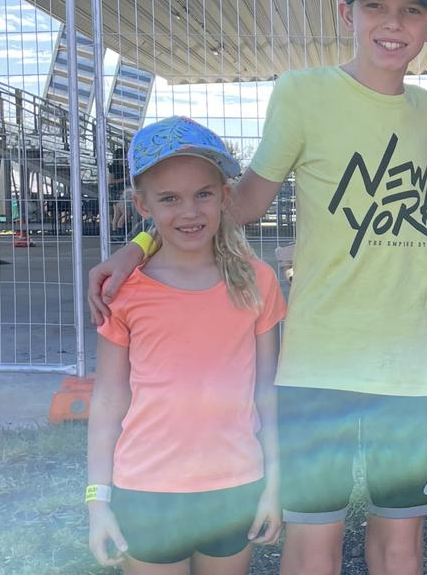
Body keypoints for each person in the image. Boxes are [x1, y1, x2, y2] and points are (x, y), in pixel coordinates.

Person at [86, 0, 427, 575]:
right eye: (375, 6)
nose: (391, 24)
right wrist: (139, 243)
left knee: (402, 547)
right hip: (319, 363)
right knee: (314, 543)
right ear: (347, 13)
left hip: (414, 366)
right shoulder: (303, 94)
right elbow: (237, 204)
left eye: (411, 10)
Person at [86, 116, 288, 574]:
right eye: (169, 199)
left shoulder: (257, 282)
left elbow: (268, 392)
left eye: (203, 194)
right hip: (147, 489)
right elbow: (107, 399)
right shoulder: (125, 291)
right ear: (143, 206)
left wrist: (274, 484)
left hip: (236, 485)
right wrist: (98, 501)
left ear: (224, 196)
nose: (189, 211)